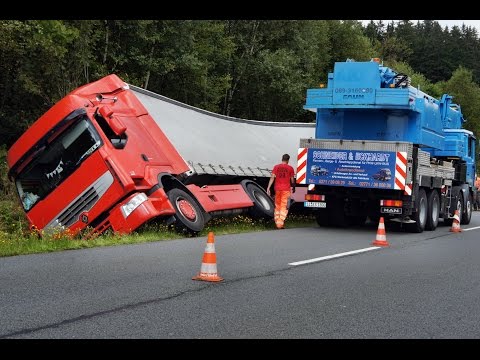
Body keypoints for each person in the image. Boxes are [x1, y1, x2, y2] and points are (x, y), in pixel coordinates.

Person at [266, 154, 295, 229]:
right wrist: (294, 186)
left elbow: (272, 177)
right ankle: (280, 224)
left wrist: (268, 188)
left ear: (282, 159)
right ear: (288, 160)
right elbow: (292, 179)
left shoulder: (276, 167)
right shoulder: (290, 168)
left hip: (277, 189)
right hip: (286, 189)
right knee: (284, 206)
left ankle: (277, 222)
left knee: (277, 205)